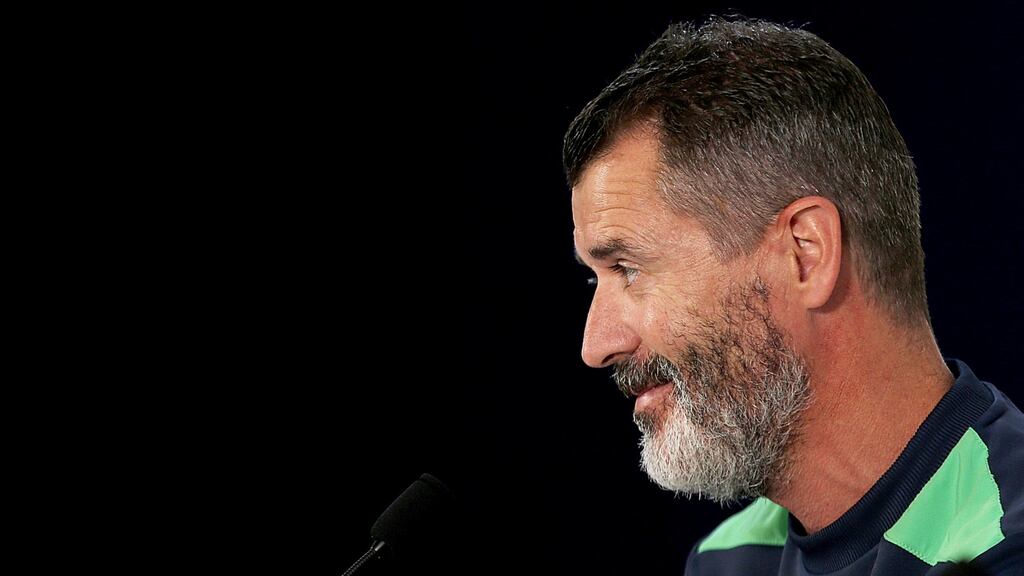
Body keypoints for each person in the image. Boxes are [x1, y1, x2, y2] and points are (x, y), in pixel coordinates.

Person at [563, 16, 1022, 576]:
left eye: (628, 268)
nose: (595, 345)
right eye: (596, 278)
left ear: (806, 253)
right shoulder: (726, 561)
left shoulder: (1004, 546)